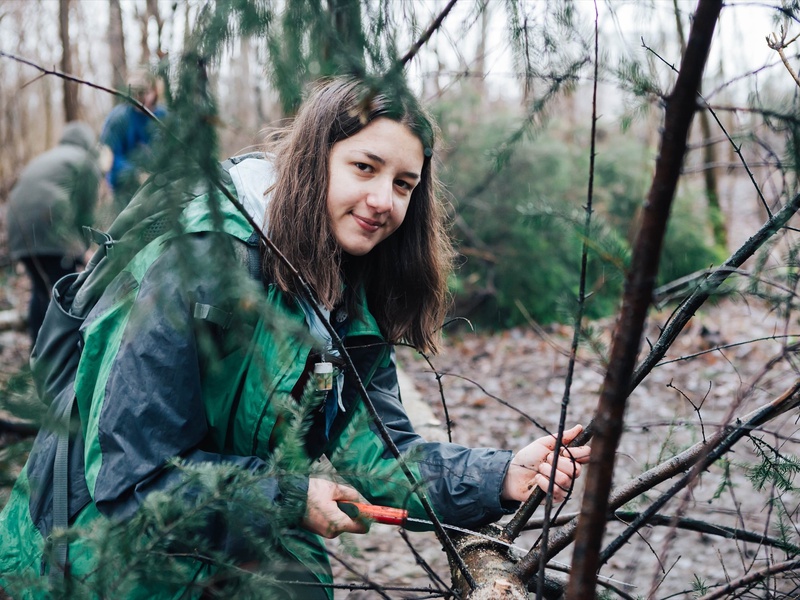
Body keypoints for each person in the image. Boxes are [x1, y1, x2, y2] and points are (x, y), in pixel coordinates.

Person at [0, 77, 591, 599]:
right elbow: (132, 483)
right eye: (365, 168)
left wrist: (501, 475)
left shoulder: (347, 292)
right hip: (88, 555)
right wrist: (286, 497)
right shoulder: (195, 258)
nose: (384, 200)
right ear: (314, 161)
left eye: (405, 184)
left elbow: (380, 458)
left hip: (219, 534)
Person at [5, 121, 102, 345]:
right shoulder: (86, 161)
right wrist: (85, 249)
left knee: (40, 290)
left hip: (17, 227)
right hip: (51, 225)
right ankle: (66, 351)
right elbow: (85, 212)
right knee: (66, 290)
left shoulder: (47, 157)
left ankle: (38, 353)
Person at [99, 67, 167, 213]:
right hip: (125, 195)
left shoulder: (163, 118)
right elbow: (109, 160)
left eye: (145, 92)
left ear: (155, 91)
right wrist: (137, 175)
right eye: (136, 93)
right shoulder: (118, 119)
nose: (140, 98)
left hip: (161, 194)